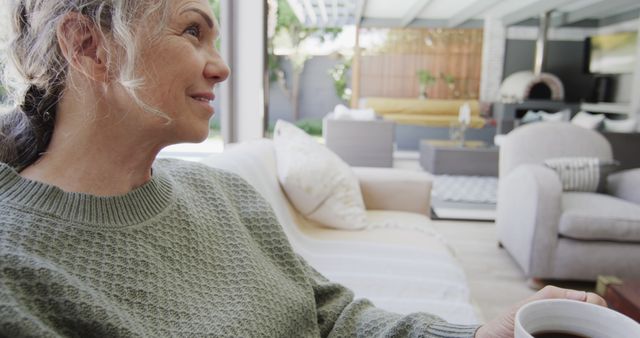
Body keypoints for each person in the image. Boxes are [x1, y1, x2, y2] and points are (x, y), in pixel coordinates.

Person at [0, 0, 606, 337]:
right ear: (88, 48)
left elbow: (330, 315)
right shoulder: (17, 274)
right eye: (192, 30)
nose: (221, 67)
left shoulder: (223, 195)